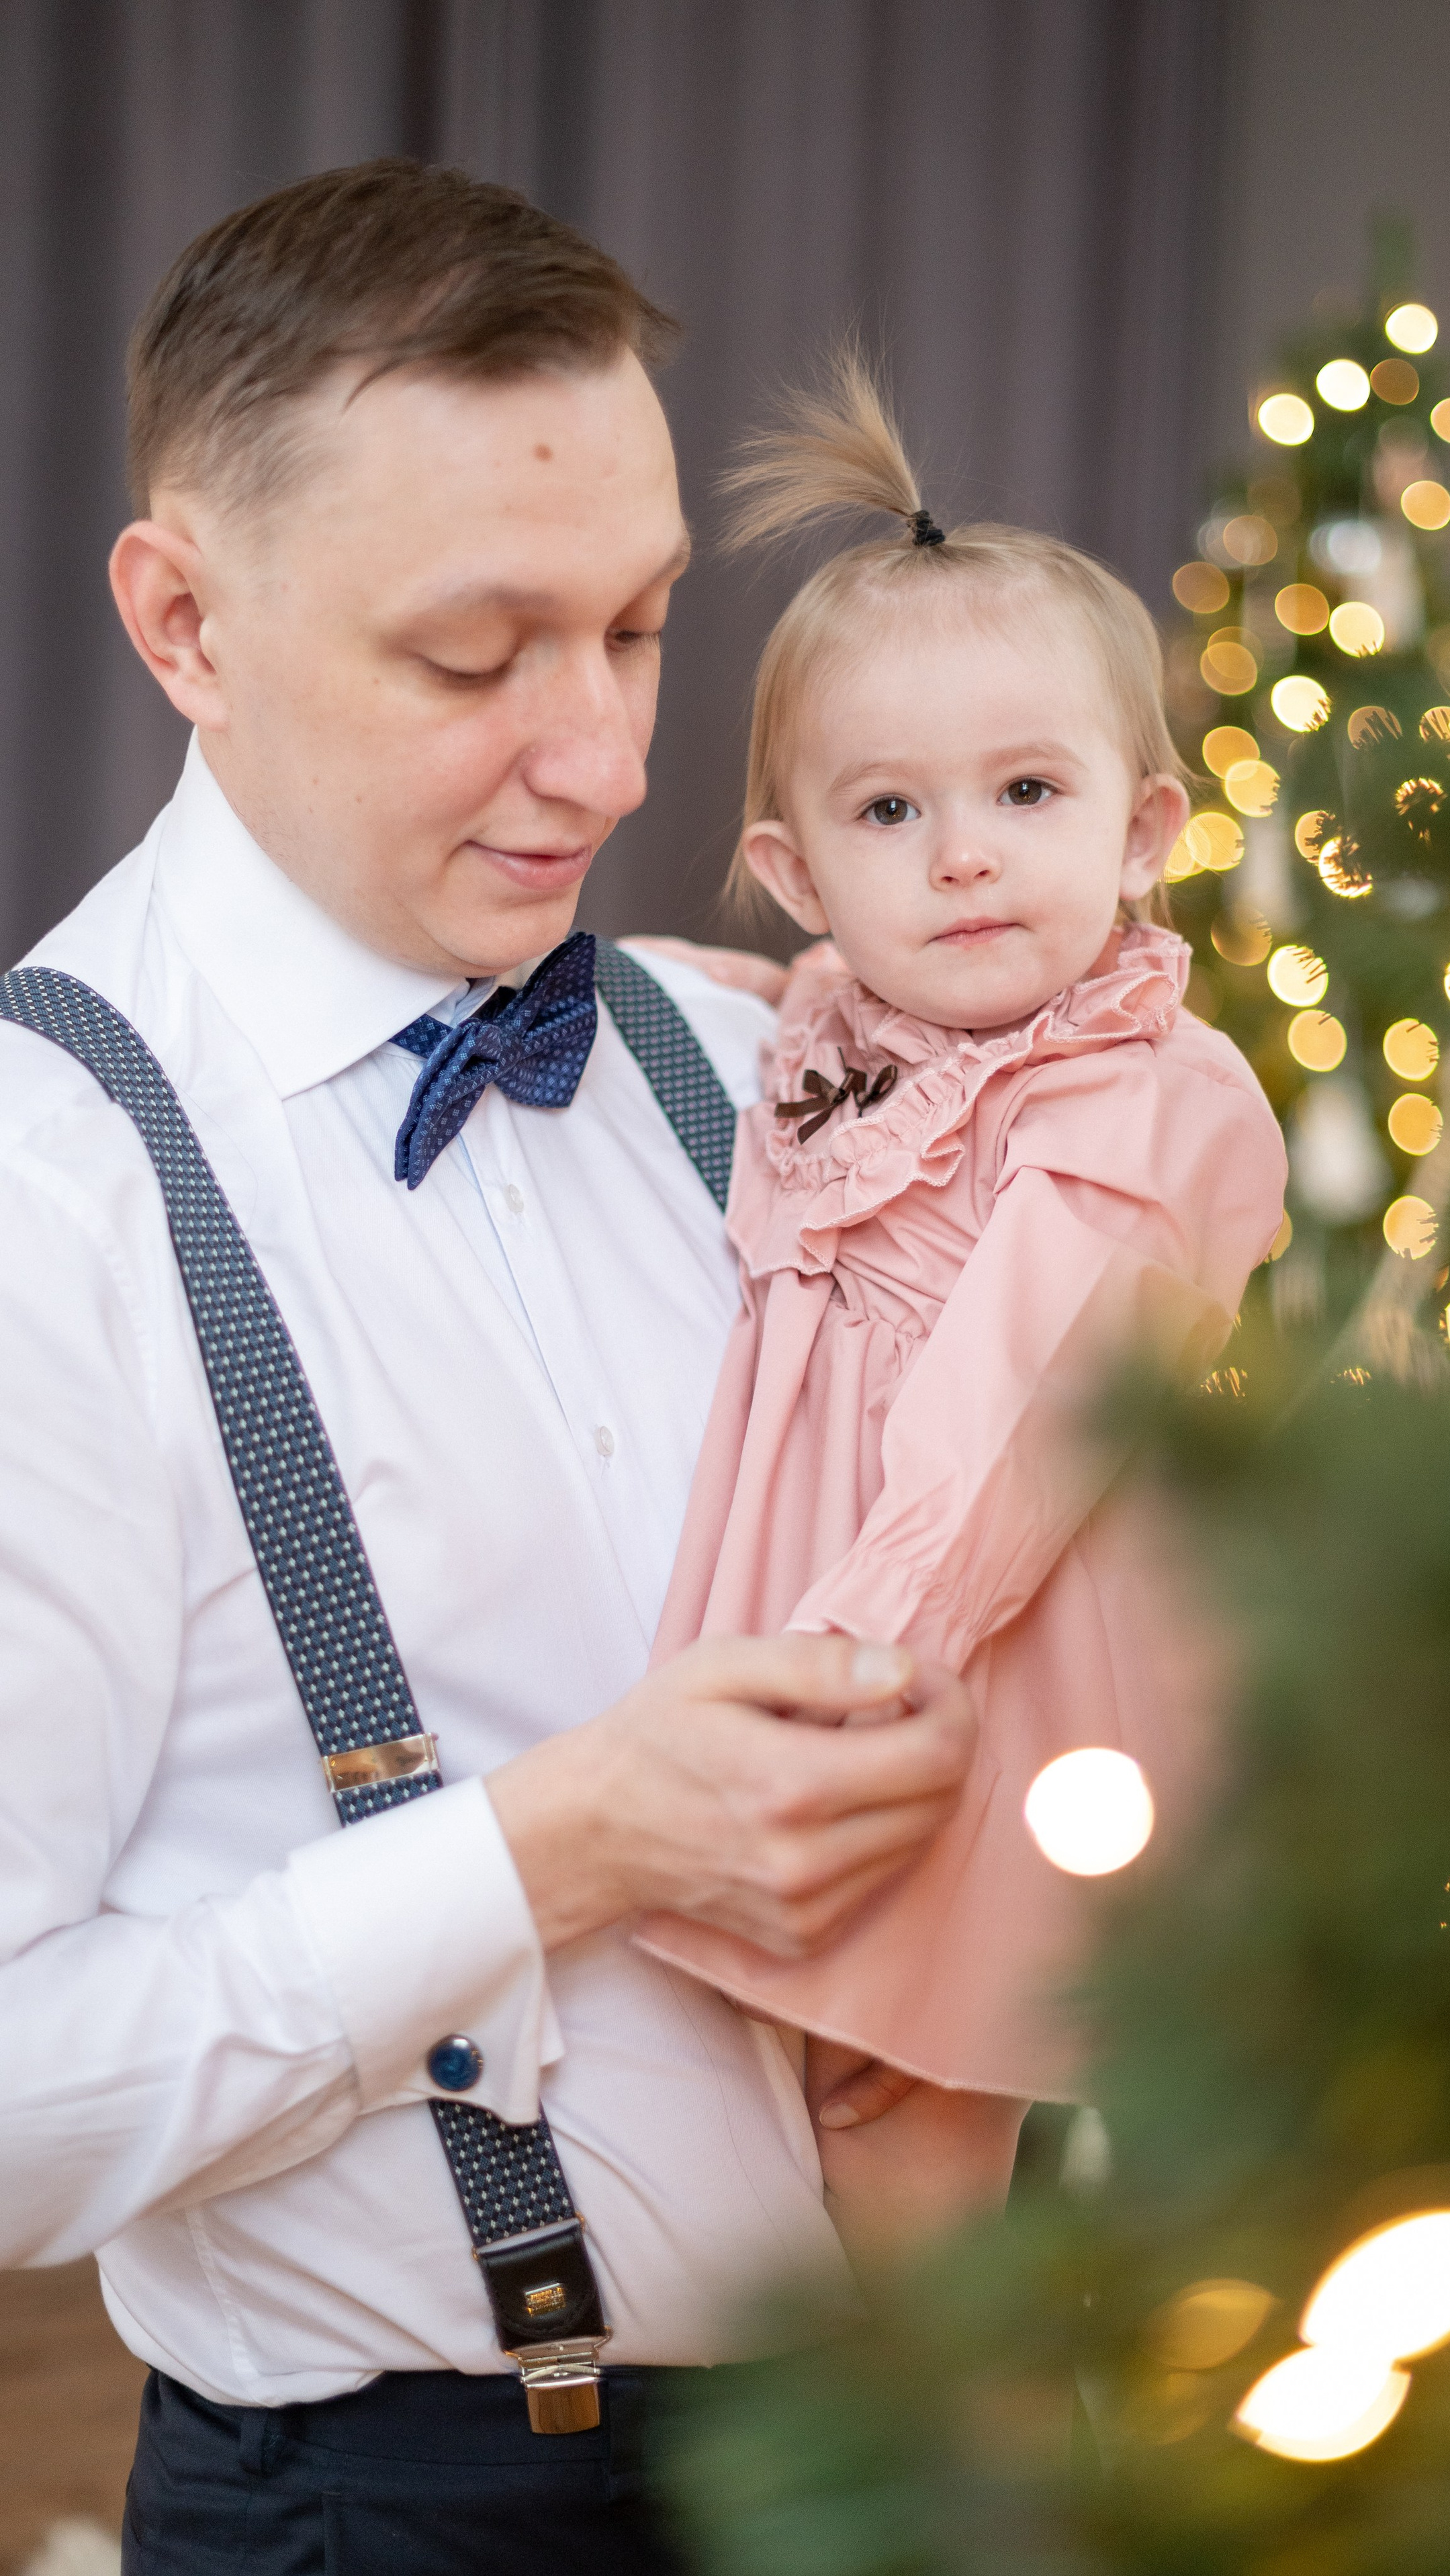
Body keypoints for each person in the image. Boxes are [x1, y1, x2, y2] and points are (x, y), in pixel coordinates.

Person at [0, 162, 979, 2575]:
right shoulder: (46, 1199)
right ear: (184, 617)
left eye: (642, 629)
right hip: (396, 2511)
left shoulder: (739, 1065)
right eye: (476, 658)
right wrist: (562, 1849)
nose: (609, 761)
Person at [635, 358, 1287, 2253]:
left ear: (1147, 826)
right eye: (893, 810)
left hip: (954, 1681)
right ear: (798, 872)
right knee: (781, 2166)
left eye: (1026, 789)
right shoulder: (836, 1014)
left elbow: (1020, 1415)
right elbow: (715, 1000)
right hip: (815, 1668)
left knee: (909, 2159)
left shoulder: (1142, 1105)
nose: (966, 853)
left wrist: (835, 1693)